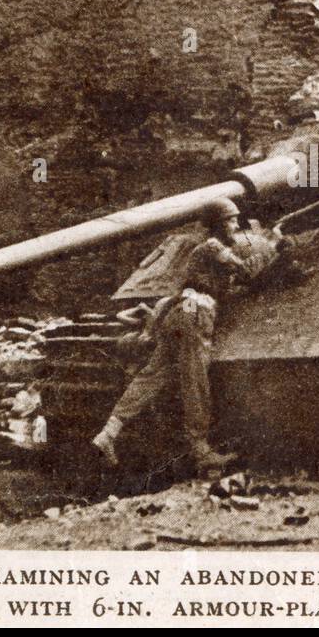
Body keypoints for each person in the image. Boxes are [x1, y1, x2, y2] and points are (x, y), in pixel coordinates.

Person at [91, 201, 281, 473]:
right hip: (195, 313)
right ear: (216, 225)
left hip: (178, 313)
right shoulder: (213, 247)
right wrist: (275, 249)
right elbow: (246, 271)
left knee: (151, 375)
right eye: (230, 220)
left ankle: (109, 433)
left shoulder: (203, 252)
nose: (236, 225)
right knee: (195, 378)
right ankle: (201, 450)